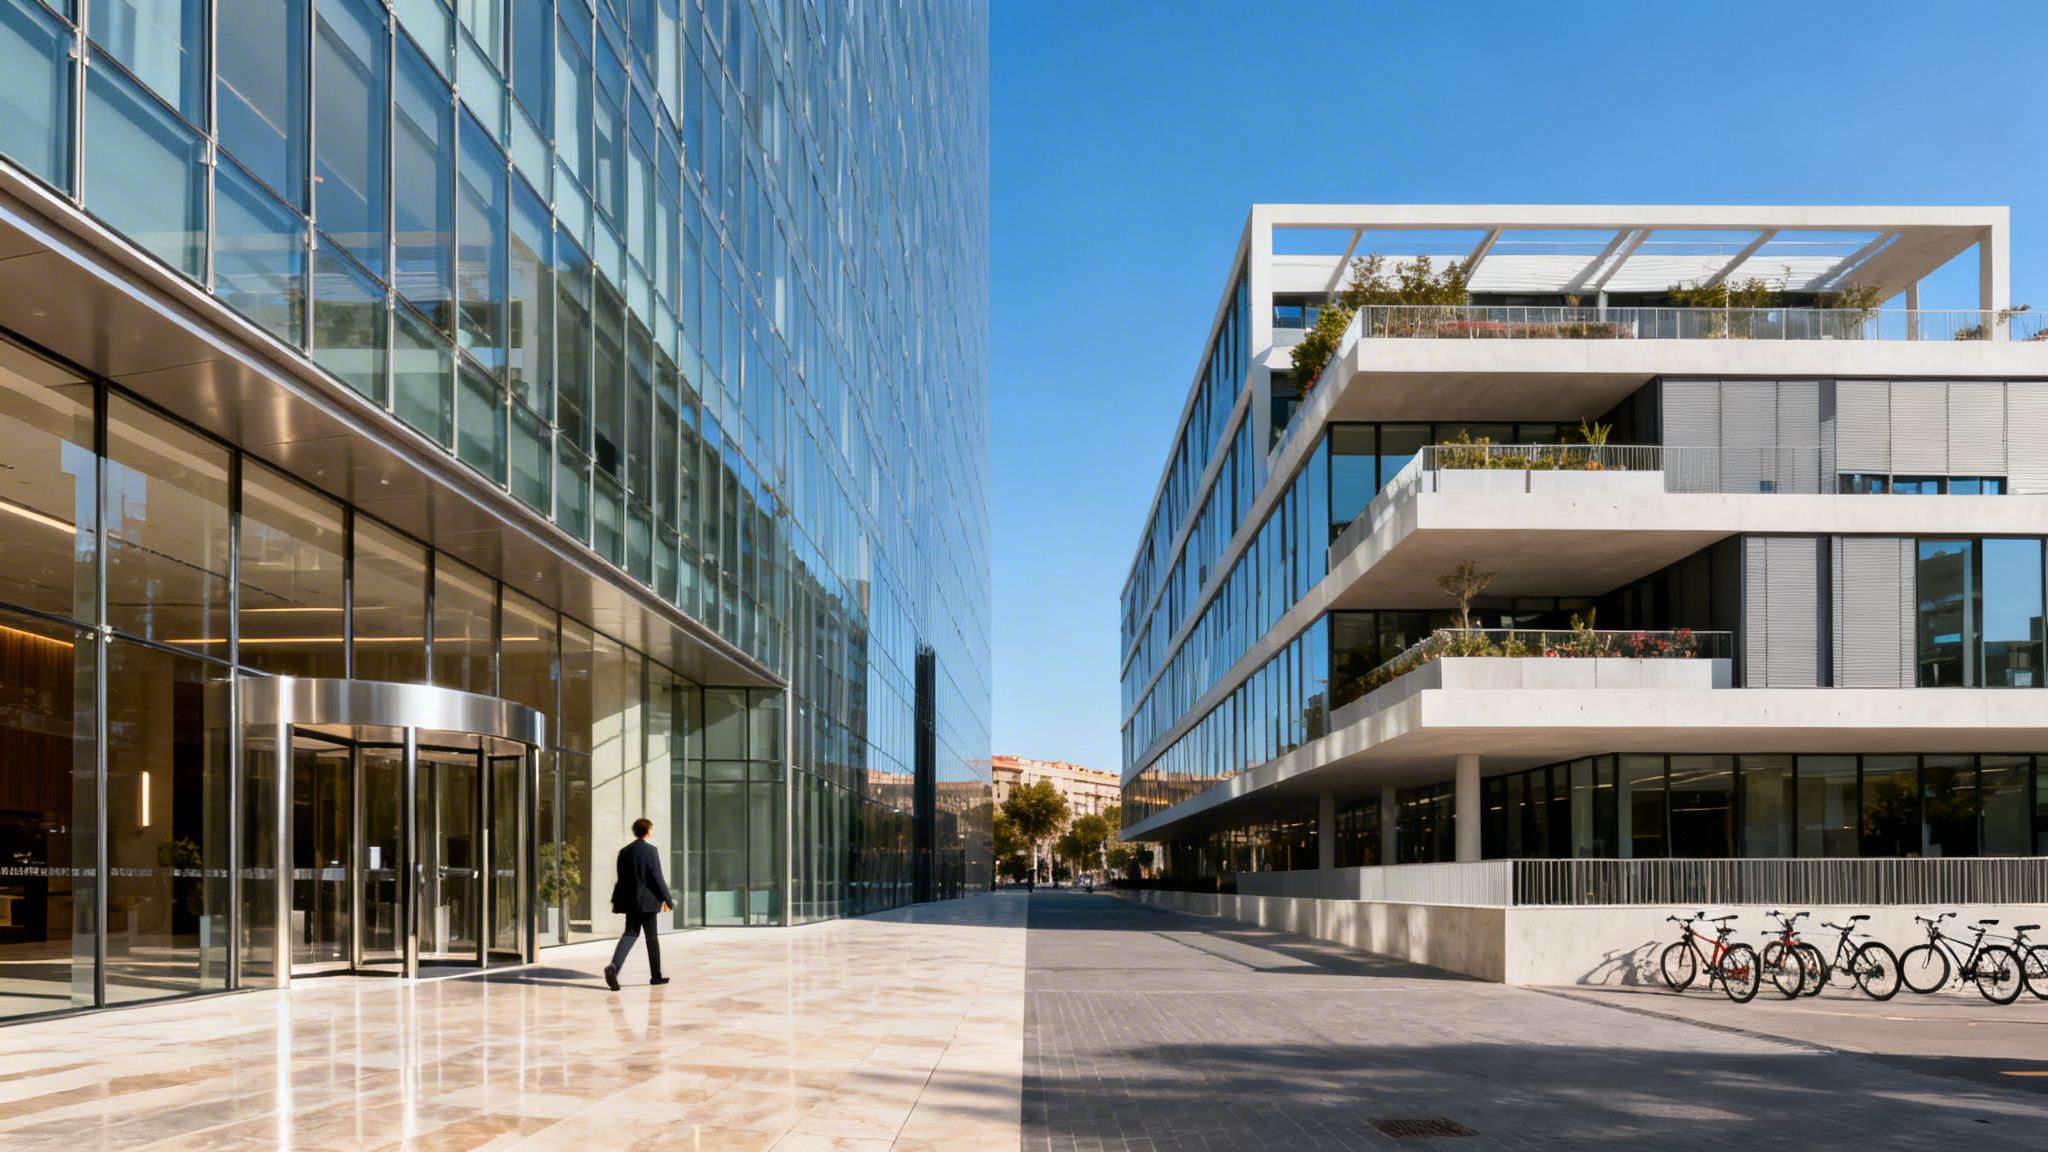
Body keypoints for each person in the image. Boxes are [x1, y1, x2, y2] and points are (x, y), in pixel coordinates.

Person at [604, 817, 673, 991]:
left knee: (630, 934)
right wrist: (667, 899)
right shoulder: (651, 851)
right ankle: (656, 976)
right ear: (647, 830)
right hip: (649, 903)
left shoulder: (625, 851)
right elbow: (657, 877)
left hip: (632, 902)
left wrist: (618, 901)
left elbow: (621, 879)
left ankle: (614, 967)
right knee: (652, 939)